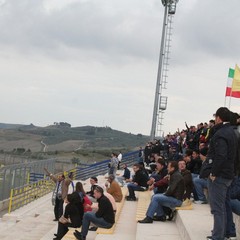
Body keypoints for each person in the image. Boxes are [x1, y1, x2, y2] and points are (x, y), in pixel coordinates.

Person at [206, 107, 238, 240]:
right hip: (229, 174)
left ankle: (218, 236)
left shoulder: (221, 133)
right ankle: (223, 233)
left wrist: (214, 172)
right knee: (224, 205)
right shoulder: (234, 132)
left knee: (217, 208)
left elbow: (221, 156)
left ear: (218, 118)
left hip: (220, 176)